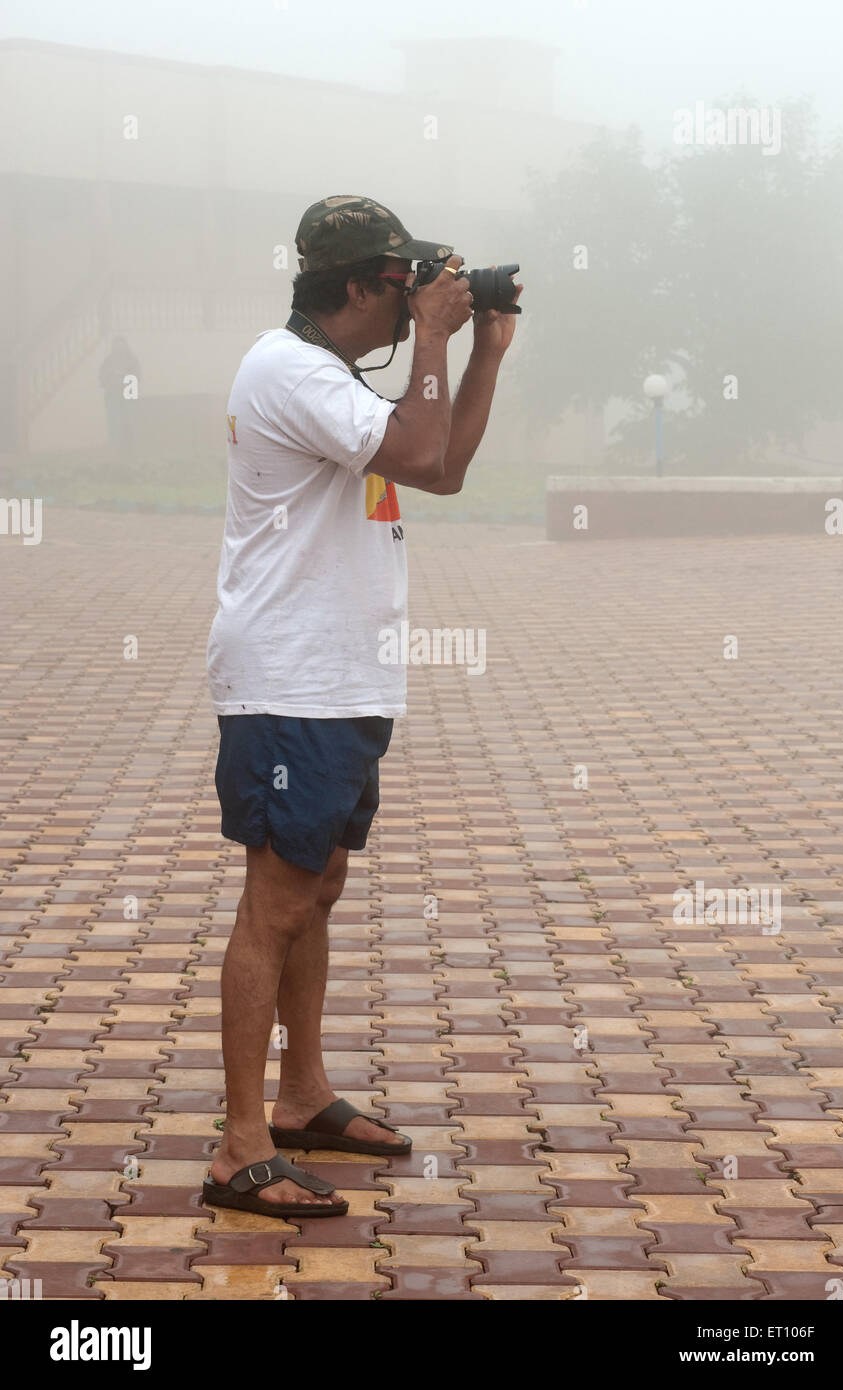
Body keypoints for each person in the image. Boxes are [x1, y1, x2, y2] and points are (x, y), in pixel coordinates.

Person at [204, 194, 522, 1218]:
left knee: (320, 884)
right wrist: (434, 338)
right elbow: (424, 451)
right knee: (278, 898)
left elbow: (444, 471)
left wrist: (485, 351)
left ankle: (303, 1096)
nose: (414, 299)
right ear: (353, 286)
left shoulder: (333, 379)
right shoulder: (286, 369)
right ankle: (240, 1145)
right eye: (400, 284)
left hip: (342, 675)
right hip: (290, 677)